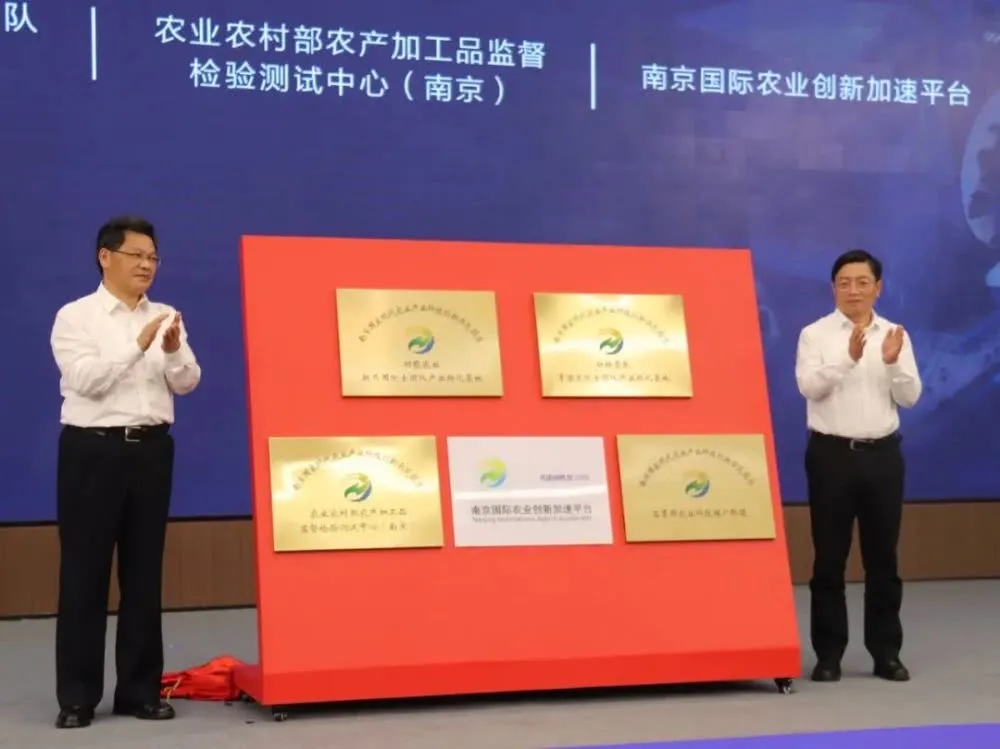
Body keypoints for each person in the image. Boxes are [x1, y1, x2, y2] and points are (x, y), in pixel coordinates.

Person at [49, 216, 201, 728]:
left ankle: (139, 690)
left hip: (151, 452)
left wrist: (172, 349)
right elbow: (86, 380)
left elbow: (187, 382)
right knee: (84, 574)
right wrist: (138, 344)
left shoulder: (165, 315)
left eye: (153, 257)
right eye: (136, 255)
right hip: (92, 452)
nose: (146, 265)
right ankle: (77, 697)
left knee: (144, 574)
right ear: (105, 257)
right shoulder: (76, 316)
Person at [794, 249, 922, 684]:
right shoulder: (814, 334)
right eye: (845, 283)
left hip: (883, 457)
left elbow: (910, 398)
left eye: (862, 282)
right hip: (831, 456)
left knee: (883, 559)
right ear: (833, 288)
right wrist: (848, 359)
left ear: (877, 288)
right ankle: (828, 655)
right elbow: (808, 387)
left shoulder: (896, 335)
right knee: (829, 559)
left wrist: (893, 364)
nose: (854, 290)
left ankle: (886, 653)